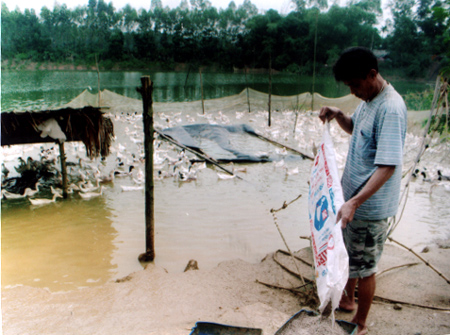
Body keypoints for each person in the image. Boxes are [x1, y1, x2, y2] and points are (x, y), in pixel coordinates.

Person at [319, 47, 407, 335]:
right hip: (354, 202)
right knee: (351, 254)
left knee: (366, 266)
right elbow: (355, 128)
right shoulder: (368, 100)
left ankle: (361, 323)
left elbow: (387, 166)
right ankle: (346, 299)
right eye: (349, 86)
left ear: (372, 75)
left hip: (370, 207)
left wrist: (355, 202)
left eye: (355, 85)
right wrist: (339, 114)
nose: (354, 91)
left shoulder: (390, 108)